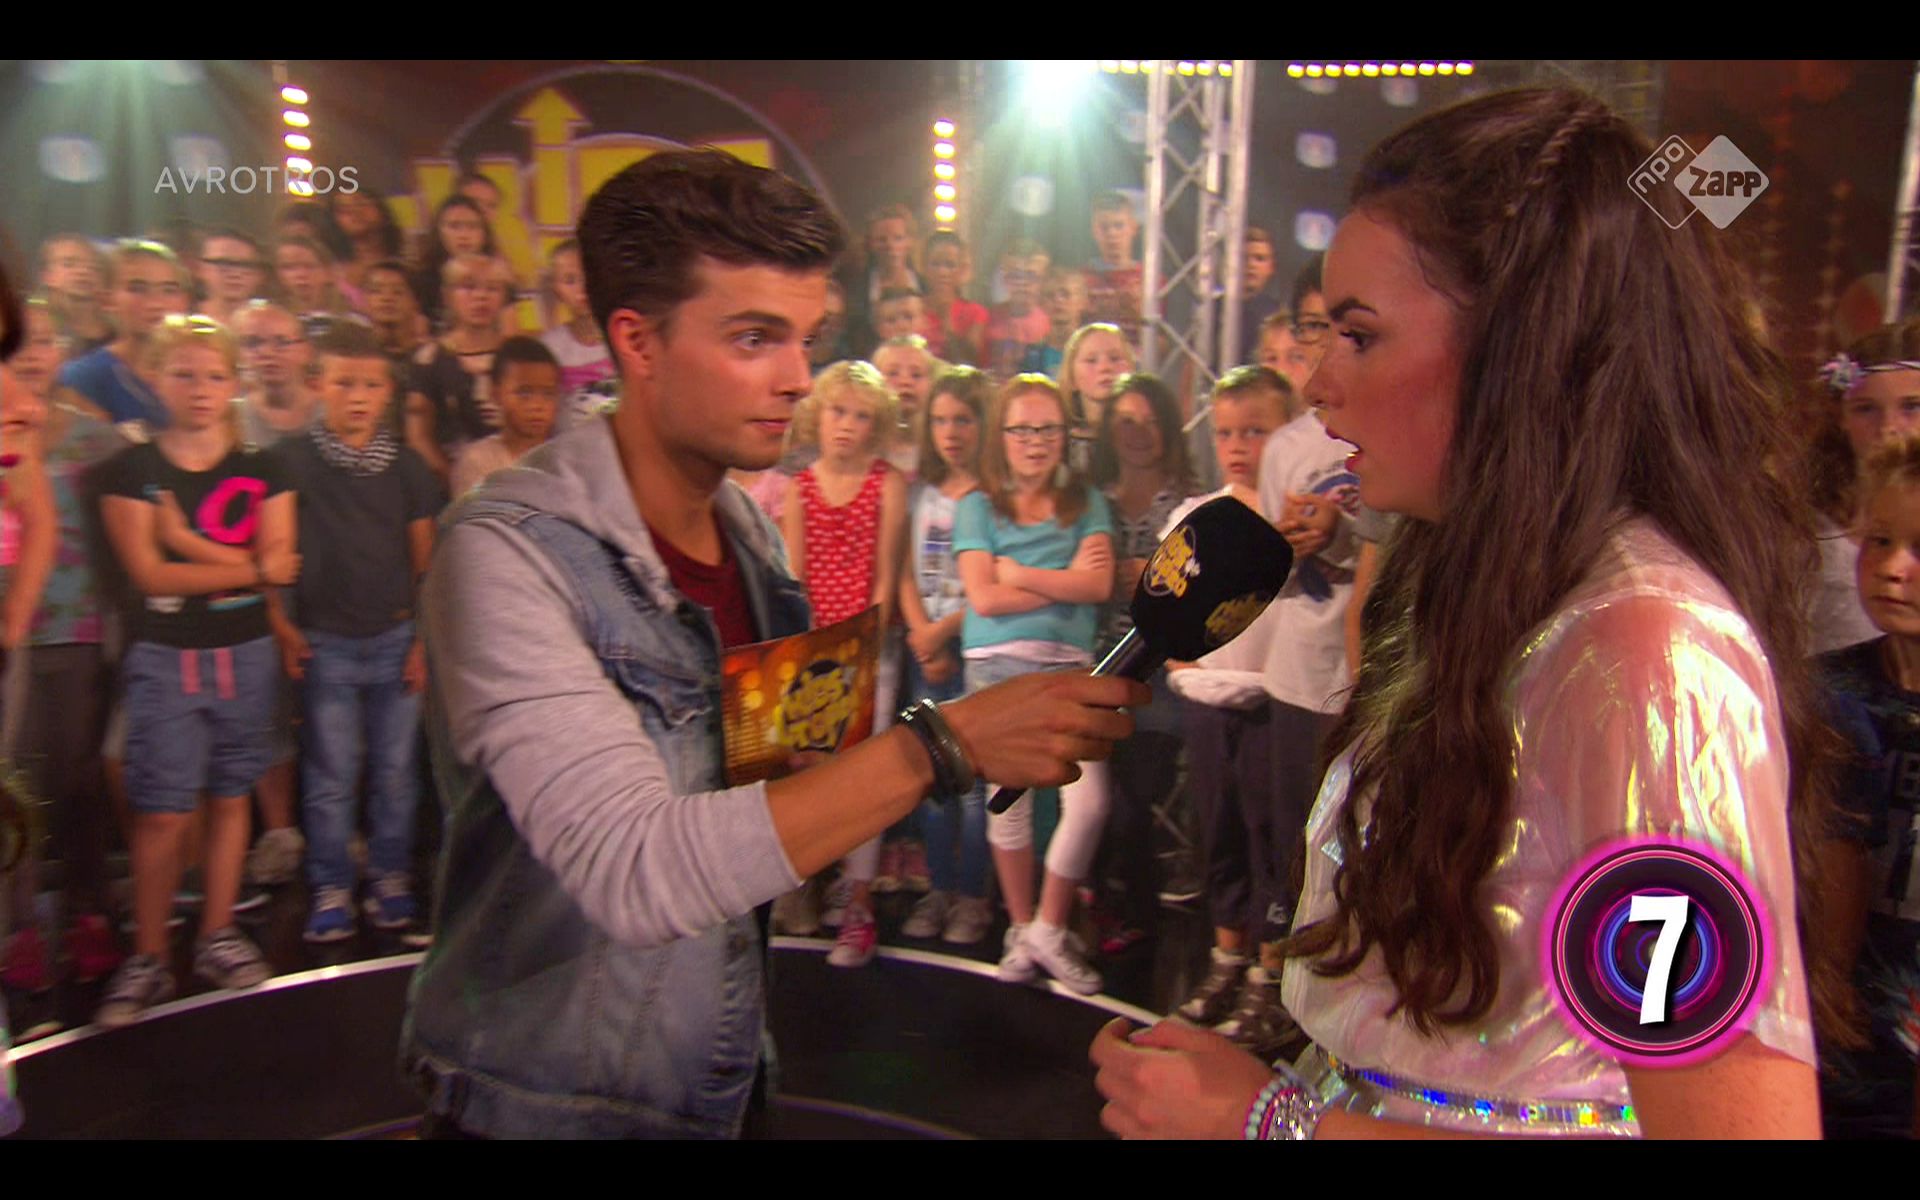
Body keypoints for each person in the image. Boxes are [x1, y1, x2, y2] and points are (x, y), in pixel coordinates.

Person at [1092, 87, 1844, 1141]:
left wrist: (1275, 1126)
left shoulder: (1646, 658)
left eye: (1359, 336)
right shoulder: (1482, 579)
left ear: (1522, 344)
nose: (1319, 385)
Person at [401, 149, 1144, 1140]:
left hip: (720, 1066)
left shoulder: (748, 533)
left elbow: (780, 772)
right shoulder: (505, 551)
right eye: (754, 338)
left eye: (807, 339)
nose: (798, 379)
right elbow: (634, 870)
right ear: (637, 341)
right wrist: (946, 744)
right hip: (542, 1105)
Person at [93, 315, 298, 1027]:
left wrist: (184, 540)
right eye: (183, 373)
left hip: (246, 652)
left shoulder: (266, 468)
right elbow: (151, 576)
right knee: (162, 810)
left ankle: (217, 931)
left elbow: (283, 560)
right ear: (156, 378)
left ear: (234, 382)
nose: (200, 388)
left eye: (214, 375)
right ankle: (148, 955)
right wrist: (250, 567)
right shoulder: (131, 471)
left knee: (232, 795)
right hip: (166, 655)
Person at [269, 325, 441, 947]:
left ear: (388, 391)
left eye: (370, 384)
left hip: (396, 638)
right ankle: (332, 883)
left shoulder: (408, 467)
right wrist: (282, 626)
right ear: (319, 384)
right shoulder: (291, 459)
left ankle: (390, 875)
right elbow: (273, 550)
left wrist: (423, 640)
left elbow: (425, 562)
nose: (358, 397)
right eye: (344, 383)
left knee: (395, 771)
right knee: (331, 772)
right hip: (325, 640)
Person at [956, 373, 1117, 995]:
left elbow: (1097, 586)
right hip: (995, 667)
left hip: (1069, 669)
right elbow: (984, 599)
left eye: (1046, 428)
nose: (1034, 440)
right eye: (1021, 428)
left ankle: (1049, 928)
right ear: (1001, 435)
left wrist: (1020, 572)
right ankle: (1021, 928)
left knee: (1090, 803)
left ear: (1064, 435)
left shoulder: (1087, 501)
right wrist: (1062, 579)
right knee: (1010, 807)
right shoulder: (977, 505)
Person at [1160, 366, 1303, 1057]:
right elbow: (1167, 599)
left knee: (1270, 833)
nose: (1239, 446)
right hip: (1210, 697)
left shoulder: (1302, 518)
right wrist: (1177, 657)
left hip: (1277, 701)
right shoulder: (1200, 516)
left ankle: (1268, 974)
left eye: (1256, 431)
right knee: (1217, 829)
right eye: (1225, 433)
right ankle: (1226, 957)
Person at [780, 360, 909, 966]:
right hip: (815, 651)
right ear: (818, 414)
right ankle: (810, 883)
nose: (847, 425)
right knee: (810, 773)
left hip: (869, 648)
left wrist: (864, 649)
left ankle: (859, 904)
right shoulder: (800, 487)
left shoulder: (887, 483)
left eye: (861, 416)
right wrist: (809, 655)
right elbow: (794, 577)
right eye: (838, 411)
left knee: (866, 773)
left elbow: (885, 574)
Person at [898, 367, 993, 945]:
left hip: (972, 645)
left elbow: (990, 582)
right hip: (925, 648)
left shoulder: (993, 497)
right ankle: (938, 889)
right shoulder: (921, 494)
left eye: (963, 420)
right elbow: (904, 572)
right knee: (932, 775)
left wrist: (944, 633)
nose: (951, 432)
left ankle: (973, 896)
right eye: (940, 420)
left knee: (975, 780)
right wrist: (921, 634)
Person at [1805, 319, 1920, 655]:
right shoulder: (1806, 518)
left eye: (1911, 407)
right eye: (1866, 409)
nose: (1888, 427)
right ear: (1841, 417)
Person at [54, 240, 192, 430]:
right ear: (107, 300)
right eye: (137, 289)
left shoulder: (205, 373)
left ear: (185, 301)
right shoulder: (83, 379)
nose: (156, 303)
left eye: (169, 290)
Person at [448, 336, 558, 497]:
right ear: (495, 394)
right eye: (524, 393)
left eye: (548, 394)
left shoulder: (567, 460)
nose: (537, 405)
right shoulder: (477, 461)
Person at [194, 229, 269, 328]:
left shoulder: (274, 323)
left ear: (259, 274)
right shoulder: (184, 321)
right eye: (223, 263)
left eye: (245, 265)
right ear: (199, 268)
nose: (235, 274)